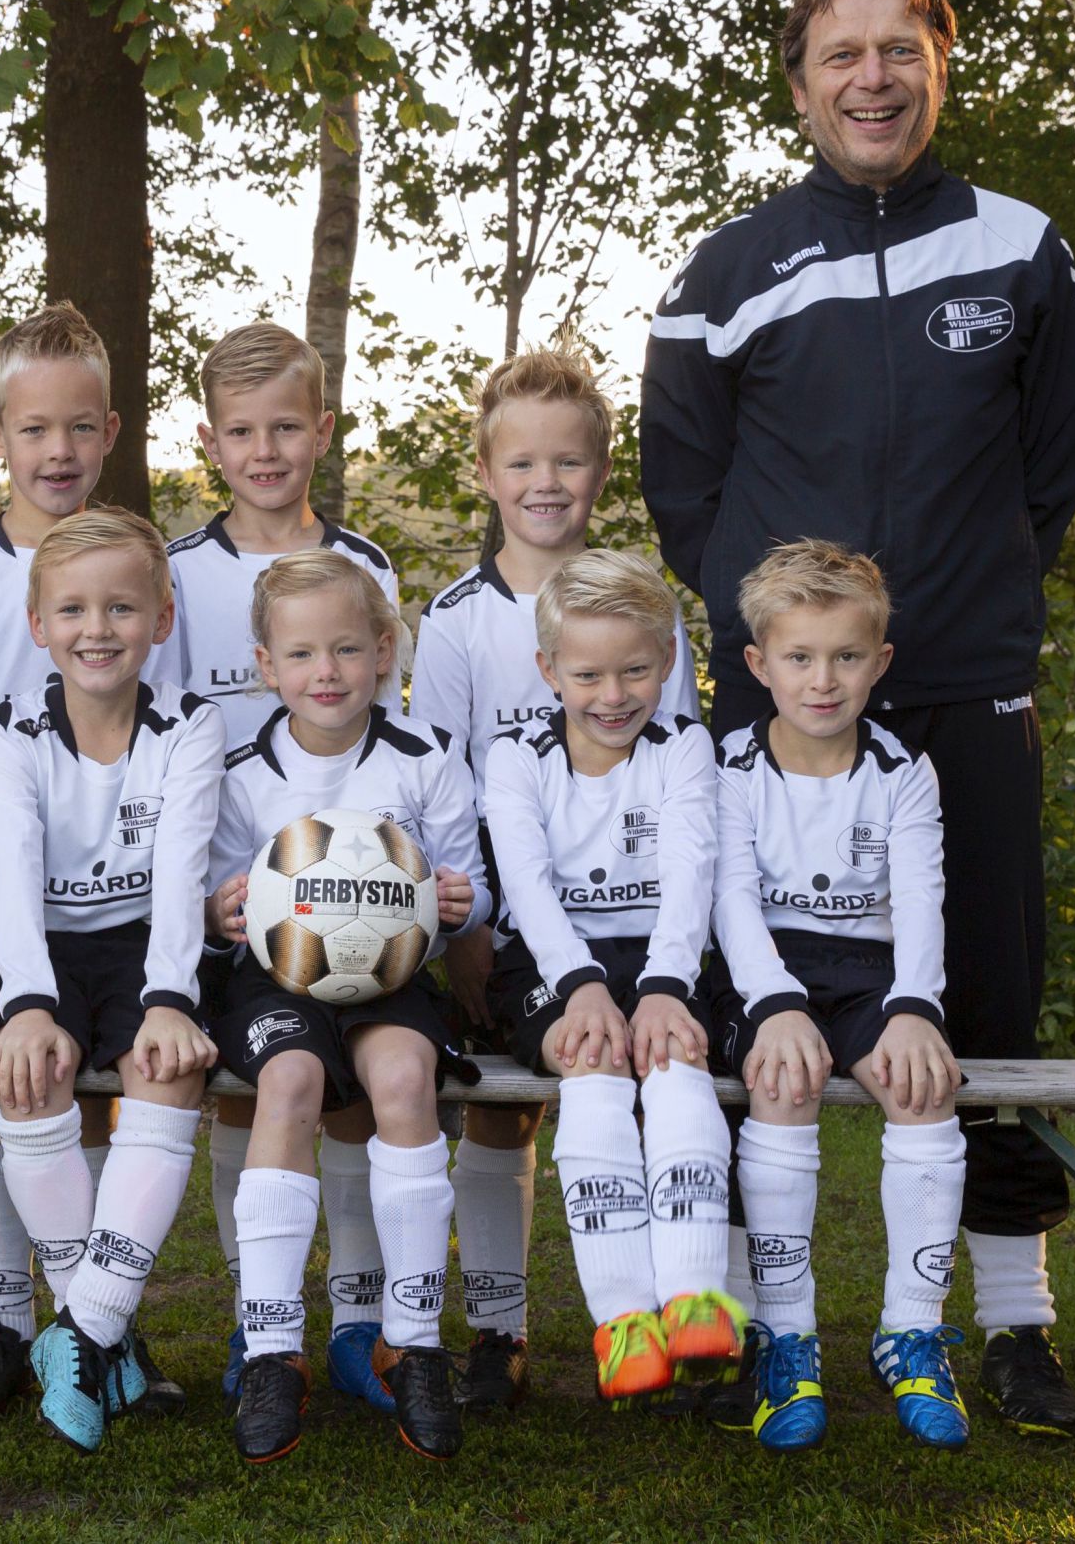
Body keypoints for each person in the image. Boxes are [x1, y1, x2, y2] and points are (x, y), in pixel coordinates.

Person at [639, 0, 1075, 1435]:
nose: (873, 78)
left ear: (940, 65)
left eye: (901, 49)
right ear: (800, 83)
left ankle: (1015, 1321)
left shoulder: (1021, 245)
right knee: (736, 998)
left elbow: (1053, 465)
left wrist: (968, 598)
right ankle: (725, 1323)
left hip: (965, 687)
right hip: (779, 700)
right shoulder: (728, 269)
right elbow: (683, 485)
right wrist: (776, 634)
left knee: (991, 1002)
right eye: (843, 53)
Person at [410, 350, 704, 1411]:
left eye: (568, 461)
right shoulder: (456, 618)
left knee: (657, 1077)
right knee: (504, 1114)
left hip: (642, 920)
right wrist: (467, 934)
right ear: (486, 472)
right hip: (511, 923)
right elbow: (437, 789)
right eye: (523, 461)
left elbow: (683, 782)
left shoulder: (645, 606)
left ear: (601, 471)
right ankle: (500, 1328)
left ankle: (694, 1317)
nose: (546, 481)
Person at [0, 304, 168, 1416]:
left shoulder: (134, 567)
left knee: (89, 1095)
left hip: (111, 859)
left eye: (79, 428)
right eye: (33, 429)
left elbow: (163, 720)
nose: (58, 451)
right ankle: (5, 1324)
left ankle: (92, 1324)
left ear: (110, 432)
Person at [146, 322, 407, 1412]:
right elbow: (161, 732)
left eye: (287, 428)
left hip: (356, 900)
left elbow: (390, 736)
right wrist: (203, 896)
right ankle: (258, 1318)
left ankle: (356, 1318)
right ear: (210, 443)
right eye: (243, 432)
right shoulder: (176, 573)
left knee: (352, 1100)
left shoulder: (366, 567)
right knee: (249, 1093)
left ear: (323, 431)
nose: (266, 452)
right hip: (228, 892)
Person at [202, 552, 487, 1464]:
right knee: (288, 1082)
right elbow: (215, 903)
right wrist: (220, 911)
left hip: (394, 977)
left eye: (348, 649)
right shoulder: (241, 770)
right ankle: (272, 1349)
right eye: (301, 654)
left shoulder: (426, 754)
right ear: (265, 665)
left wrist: (458, 901)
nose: (326, 671)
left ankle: (415, 1341)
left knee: (402, 1078)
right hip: (275, 983)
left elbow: (471, 882)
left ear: (385, 652)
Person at [0, 509, 225, 1454]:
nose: (97, 628)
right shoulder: (8, 729)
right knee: (29, 1071)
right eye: (73, 608)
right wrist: (28, 1004)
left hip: (144, 947)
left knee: (170, 1067)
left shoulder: (190, 725)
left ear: (162, 618)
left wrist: (169, 999)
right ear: (38, 623)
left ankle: (78, 1333)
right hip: (37, 948)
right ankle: (106, 1336)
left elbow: (180, 875)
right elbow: (9, 877)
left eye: (121, 607)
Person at [710, 540, 966, 1451]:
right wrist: (774, 1002)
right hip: (761, 973)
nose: (824, 680)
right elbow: (731, 900)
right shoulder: (727, 768)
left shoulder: (904, 771)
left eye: (847, 656)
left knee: (922, 1086)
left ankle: (913, 1330)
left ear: (880, 661)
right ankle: (786, 1336)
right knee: (783, 1081)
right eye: (801, 657)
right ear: (759, 664)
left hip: (870, 974)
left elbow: (923, 899)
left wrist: (916, 1007)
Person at [475, 550, 738, 1405]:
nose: (613, 694)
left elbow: (692, 872)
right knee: (590, 1059)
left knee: (674, 1057)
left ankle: (694, 1297)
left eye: (635, 670)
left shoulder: (685, 747)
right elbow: (527, 888)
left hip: (661, 955)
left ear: (667, 659)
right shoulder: (515, 757)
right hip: (548, 962)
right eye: (588, 674)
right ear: (549, 669)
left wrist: (666, 986)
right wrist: (581, 984)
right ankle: (623, 1320)